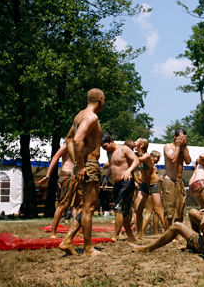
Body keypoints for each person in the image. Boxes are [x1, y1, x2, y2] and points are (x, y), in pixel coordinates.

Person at [59, 88, 105, 256]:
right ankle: (88, 247)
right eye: (104, 100)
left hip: (84, 165)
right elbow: (77, 139)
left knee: (87, 207)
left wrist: (78, 164)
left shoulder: (79, 116)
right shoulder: (91, 117)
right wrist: (82, 166)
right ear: (100, 99)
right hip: (90, 165)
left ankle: (67, 240)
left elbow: (69, 139)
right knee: (89, 208)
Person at [101, 134, 140, 242]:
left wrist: (128, 170)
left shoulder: (124, 149)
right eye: (102, 147)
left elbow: (136, 160)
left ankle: (116, 236)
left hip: (127, 182)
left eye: (105, 146)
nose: (105, 149)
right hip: (117, 183)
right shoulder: (109, 152)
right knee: (124, 213)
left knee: (118, 209)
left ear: (111, 141)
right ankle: (131, 237)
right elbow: (112, 166)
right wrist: (105, 177)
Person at [37, 143, 82, 238]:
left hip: (78, 176)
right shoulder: (69, 144)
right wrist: (47, 176)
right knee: (63, 205)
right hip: (67, 176)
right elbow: (56, 156)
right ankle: (53, 233)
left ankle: (76, 232)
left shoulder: (82, 143)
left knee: (77, 206)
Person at [133, 140, 166, 237]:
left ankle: (168, 233)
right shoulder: (138, 155)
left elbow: (137, 160)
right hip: (144, 184)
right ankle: (139, 234)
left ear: (142, 145)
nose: (135, 143)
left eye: (137, 142)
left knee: (158, 209)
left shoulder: (146, 156)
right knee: (139, 209)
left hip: (154, 183)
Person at [162, 128, 191, 227]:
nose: (182, 140)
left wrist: (185, 147)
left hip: (180, 181)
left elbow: (188, 161)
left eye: (184, 138)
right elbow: (173, 159)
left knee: (181, 209)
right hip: (169, 180)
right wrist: (178, 146)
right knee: (169, 210)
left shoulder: (184, 148)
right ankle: (168, 235)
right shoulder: (168, 146)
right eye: (180, 137)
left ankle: (178, 234)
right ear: (175, 137)